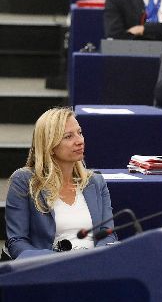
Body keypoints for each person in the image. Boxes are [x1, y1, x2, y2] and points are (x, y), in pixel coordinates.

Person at [5, 108, 117, 259]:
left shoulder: (95, 181)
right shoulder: (24, 181)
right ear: (49, 145)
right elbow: (16, 242)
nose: (79, 140)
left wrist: (94, 259)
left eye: (80, 133)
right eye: (68, 136)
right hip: (49, 269)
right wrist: (57, 261)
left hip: (94, 266)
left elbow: (108, 234)